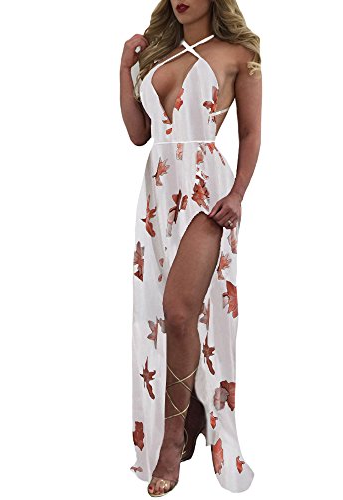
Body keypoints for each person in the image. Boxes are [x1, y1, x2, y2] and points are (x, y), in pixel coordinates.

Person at [120, 0, 262, 495]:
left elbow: (250, 132)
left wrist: (237, 195)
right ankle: (193, 408)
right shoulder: (156, 55)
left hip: (206, 190)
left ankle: (172, 438)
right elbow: (139, 134)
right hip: (158, 191)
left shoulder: (238, 53)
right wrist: (124, 67)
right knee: (159, 314)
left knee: (180, 311)